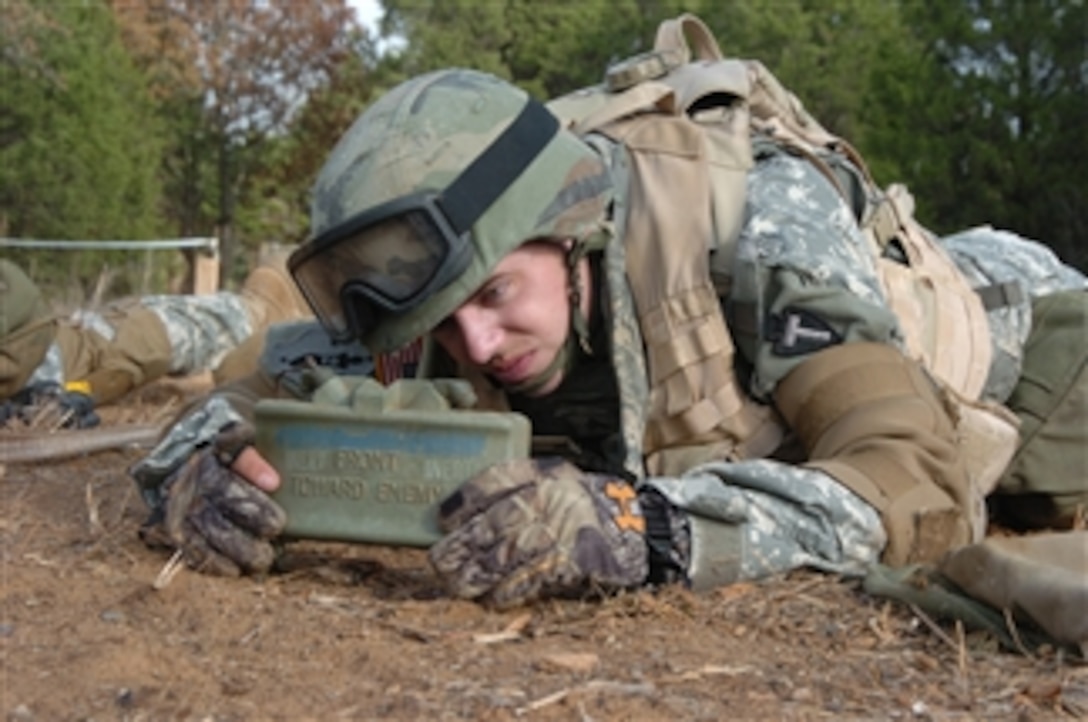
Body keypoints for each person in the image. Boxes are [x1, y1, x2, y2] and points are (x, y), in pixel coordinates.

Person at [130, 44, 1087, 647]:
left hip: (1037, 353)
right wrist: (192, 477)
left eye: (499, 293)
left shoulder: (755, 217)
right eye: (442, 320)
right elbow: (240, 402)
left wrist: (638, 529)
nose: (477, 341)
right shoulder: (435, 296)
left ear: (571, 228)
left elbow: (913, 485)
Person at [0, 252, 312, 428]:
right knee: (143, 334)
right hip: (83, 348)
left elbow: (18, 295)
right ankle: (253, 312)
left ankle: (255, 311)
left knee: (148, 331)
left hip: (88, 343)